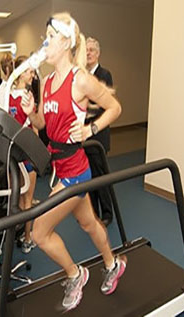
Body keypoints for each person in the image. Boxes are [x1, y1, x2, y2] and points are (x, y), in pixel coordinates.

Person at [20, 12, 127, 311]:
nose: (46, 42)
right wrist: (31, 112)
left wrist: (90, 129)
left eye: (51, 37)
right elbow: (42, 125)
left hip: (76, 171)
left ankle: (75, 274)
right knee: (89, 223)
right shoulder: (50, 81)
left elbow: (114, 107)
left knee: (40, 231)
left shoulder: (80, 79)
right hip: (60, 166)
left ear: (66, 41)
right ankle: (112, 263)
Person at [8, 56, 38, 253]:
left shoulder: (6, 94)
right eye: (30, 72)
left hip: (11, 154)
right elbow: (34, 129)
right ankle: (27, 239)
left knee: (17, 198)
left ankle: (17, 232)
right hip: (26, 153)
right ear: (20, 73)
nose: (33, 75)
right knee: (28, 200)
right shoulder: (27, 98)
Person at [85, 37, 114, 226]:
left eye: (91, 51)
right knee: (89, 177)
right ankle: (93, 212)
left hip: (98, 135)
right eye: (86, 50)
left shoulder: (105, 75)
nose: (88, 53)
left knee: (101, 176)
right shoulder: (82, 75)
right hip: (85, 135)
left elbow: (103, 105)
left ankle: (107, 212)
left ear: (98, 54)